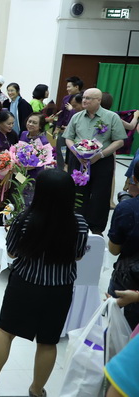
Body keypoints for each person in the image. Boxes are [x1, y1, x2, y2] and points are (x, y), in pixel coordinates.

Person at [0, 169, 89, 397]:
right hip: (59, 290)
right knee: (48, 342)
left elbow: (11, 253)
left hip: (25, 285)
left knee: (5, 331)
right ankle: (37, 390)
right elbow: (77, 256)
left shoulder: (24, 219)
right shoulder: (79, 223)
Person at [63, 88, 126, 234]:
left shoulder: (111, 117)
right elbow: (68, 138)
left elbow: (119, 141)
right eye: (84, 98)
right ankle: (75, 223)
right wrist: (76, 153)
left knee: (100, 195)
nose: (84, 100)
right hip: (78, 160)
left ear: (99, 100)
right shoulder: (77, 117)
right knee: (77, 193)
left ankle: (96, 229)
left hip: (101, 160)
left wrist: (100, 155)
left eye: (89, 98)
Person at [107, 160, 139, 330]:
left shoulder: (127, 208)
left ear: (135, 179)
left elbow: (114, 249)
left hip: (127, 281)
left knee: (119, 334)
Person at [19, 112, 52, 207]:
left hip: (33, 175)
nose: (30, 124)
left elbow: (44, 161)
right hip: (20, 172)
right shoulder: (23, 134)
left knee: (29, 200)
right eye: (29, 121)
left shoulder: (43, 141)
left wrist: (29, 166)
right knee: (19, 195)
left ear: (40, 126)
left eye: (34, 123)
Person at [55, 76, 84, 170]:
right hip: (63, 130)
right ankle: (60, 170)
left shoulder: (82, 99)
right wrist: (57, 126)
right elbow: (62, 113)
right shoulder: (66, 98)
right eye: (67, 87)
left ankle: (71, 171)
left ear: (76, 87)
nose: (67, 89)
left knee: (71, 153)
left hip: (75, 132)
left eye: (69, 86)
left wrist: (72, 110)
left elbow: (81, 114)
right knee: (60, 150)